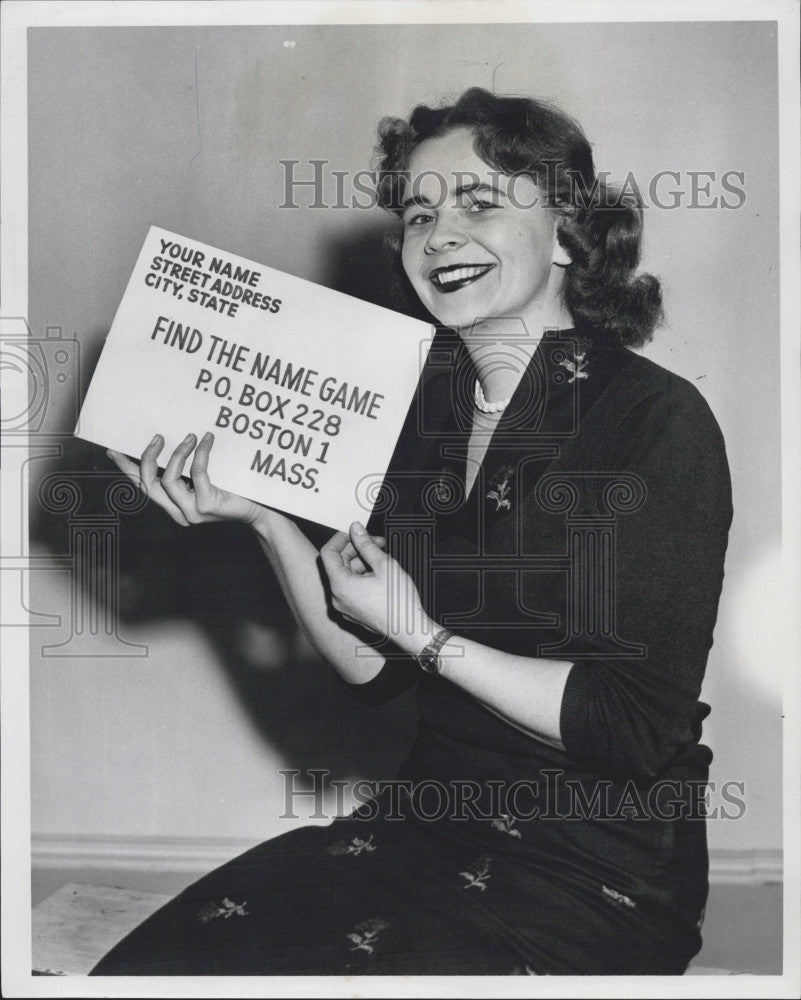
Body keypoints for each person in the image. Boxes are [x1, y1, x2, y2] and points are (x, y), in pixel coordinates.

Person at [92, 87, 732, 976]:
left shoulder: (655, 418)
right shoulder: (417, 417)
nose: (437, 234)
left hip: (594, 868)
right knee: (152, 970)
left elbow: (628, 728)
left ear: (566, 235)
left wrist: (423, 635)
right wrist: (264, 519)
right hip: (424, 821)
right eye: (418, 212)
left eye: (479, 202)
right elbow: (370, 670)